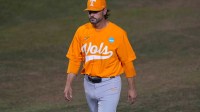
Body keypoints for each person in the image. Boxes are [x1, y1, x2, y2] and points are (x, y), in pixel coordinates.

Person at [64, 0, 137, 112]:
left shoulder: (118, 33)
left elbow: (127, 62)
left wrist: (132, 88)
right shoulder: (81, 31)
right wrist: (68, 84)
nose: (91, 15)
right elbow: (74, 59)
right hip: (88, 84)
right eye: (89, 12)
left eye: (95, 11)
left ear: (104, 11)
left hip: (110, 85)